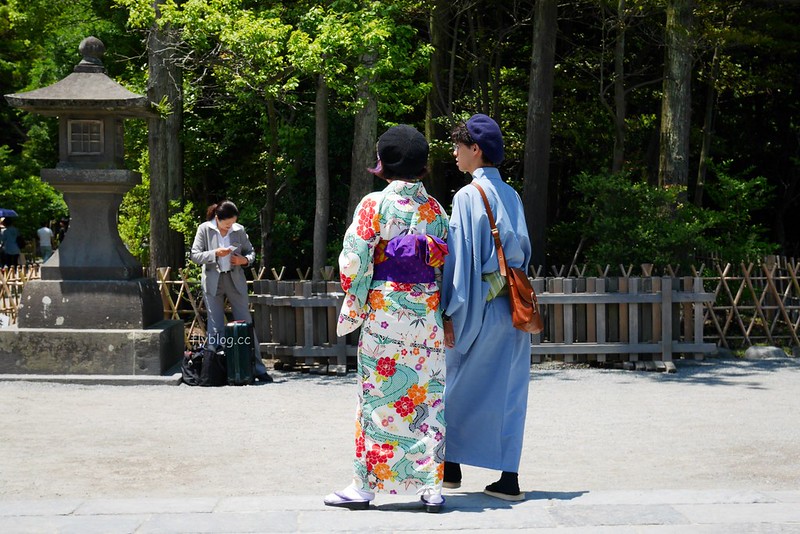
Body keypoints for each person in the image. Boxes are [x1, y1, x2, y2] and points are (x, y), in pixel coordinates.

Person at [324, 125, 450, 512]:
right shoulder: (435, 210)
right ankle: (431, 487)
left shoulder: (373, 205)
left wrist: (356, 295)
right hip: (424, 312)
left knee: (376, 398)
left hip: (383, 313)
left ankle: (364, 487)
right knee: (426, 398)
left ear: (385, 163)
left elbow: (354, 261)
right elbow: (445, 263)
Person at [440, 114, 532, 501]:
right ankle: (508, 478)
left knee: (458, 385)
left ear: (475, 150)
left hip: (478, 304)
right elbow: (523, 252)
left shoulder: (466, 197)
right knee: (510, 390)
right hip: (513, 304)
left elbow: (460, 261)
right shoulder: (511, 194)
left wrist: (447, 312)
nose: (455, 153)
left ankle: (451, 467)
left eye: (459, 146)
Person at [189, 200, 272, 383]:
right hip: (213, 281)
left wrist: (243, 261)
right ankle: (214, 372)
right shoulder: (204, 229)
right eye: (227, 224)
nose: (230, 226)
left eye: (232, 223)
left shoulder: (239, 230)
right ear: (217, 219)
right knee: (215, 326)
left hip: (234, 280)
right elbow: (194, 255)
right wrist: (214, 254)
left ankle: (258, 369)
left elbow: (251, 253)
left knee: (246, 323)